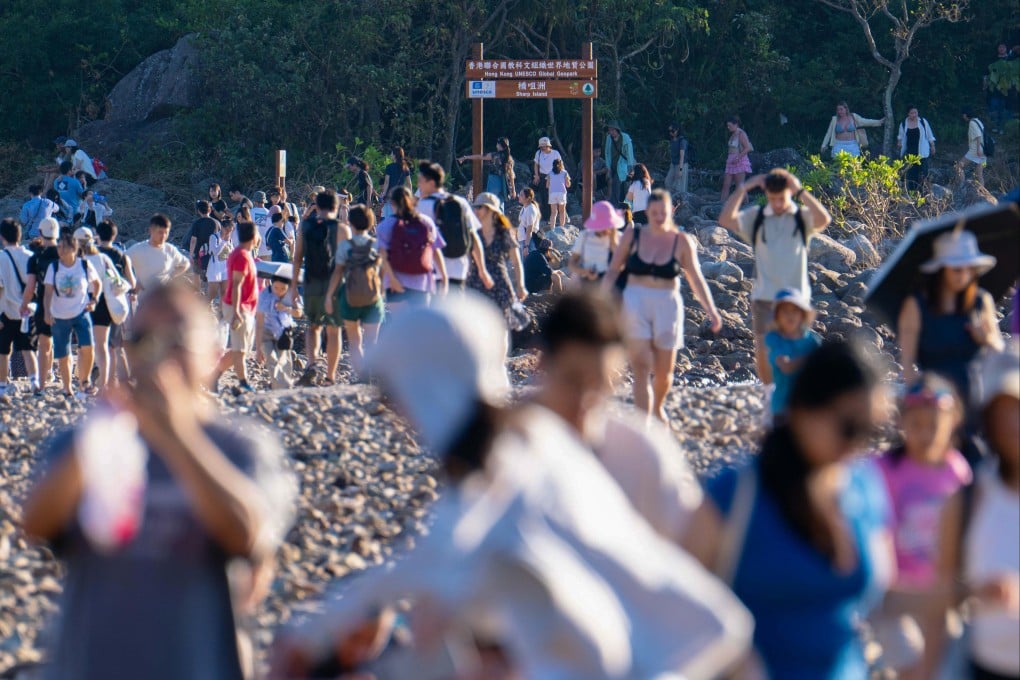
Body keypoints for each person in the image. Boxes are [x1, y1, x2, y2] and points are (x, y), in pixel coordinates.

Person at [271, 294, 752, 680]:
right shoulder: (536, 441)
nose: (397, 414)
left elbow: (444, 552)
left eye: (395, 395)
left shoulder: (508, 465)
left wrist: (309, 634)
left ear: (425, 387)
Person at [22, 283, 296, 680]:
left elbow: (249, 535)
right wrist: (97, 436)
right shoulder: (86, 441)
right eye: (143, 339)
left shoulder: (241, 449)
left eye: (175, 339)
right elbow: (36, 524)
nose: (156, 355)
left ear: (214, 355)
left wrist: (177, 434)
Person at [685, 341, 895, 679]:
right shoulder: (736, 493)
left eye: (871, 431)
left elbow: (882, 594)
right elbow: (676, 606)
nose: (858, 444)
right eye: (849, 428)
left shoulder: (864, 485)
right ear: (803, 409)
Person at [874, 375, 971, 680]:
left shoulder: (956, 470)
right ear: (902, 423)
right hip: (895, 592)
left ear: (952, 422)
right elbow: (877, 529)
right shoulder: (887, 469)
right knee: (910, 663)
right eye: (916, 425)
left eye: (934, 425)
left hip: (939, 589)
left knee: (942, 662)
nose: (926, 433)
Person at [936, 346, 1019, 680]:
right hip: (983, 666)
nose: (1013, 423)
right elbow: (941, 589)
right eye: (1002, 411)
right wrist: (974, 591)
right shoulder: (970, 494)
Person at [603, 190, 722, 422]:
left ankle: (658, 407)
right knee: (641, 366)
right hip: (635, 301)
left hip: (667, 303)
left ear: (671, 212)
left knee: (664, 371)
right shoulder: (632, 235)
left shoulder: (682, 241)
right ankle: (644, 422)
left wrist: (712, 311)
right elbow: (613, 270)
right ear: (647, 212)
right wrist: (599, 301)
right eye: (654, 212)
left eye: (663, 213)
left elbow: (696, 279)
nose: (659, 217)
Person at [897, 229, 1003, 466]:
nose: (963, 275)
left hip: (976, 394)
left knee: (980, 461)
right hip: (937, 399)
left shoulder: (980, 301)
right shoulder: (917, 304)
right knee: (941, 464)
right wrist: (915, 397)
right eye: (957, 268)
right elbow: (907, 363)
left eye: (969, 269)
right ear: (941, 269)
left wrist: (985, 338)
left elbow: (999, 349)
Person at [718, 168, 832, 384]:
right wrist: (745, 186)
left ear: (788, 193)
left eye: (781, 198)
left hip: (796, 298)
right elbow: (725, 219)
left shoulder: (800, 217)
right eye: (772, 199)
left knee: (797, 347)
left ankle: (795, 395)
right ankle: (770, 392)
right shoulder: (757, 217)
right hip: (765, 296)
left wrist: (800, 191)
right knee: (763, 349)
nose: (777, 204)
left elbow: (824, 219)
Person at [291, 189, 351, 385]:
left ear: (317, 206)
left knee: (313, 327)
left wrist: (293, 287)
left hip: (311, 281)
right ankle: (330, 376)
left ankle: (311, 365)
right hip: (335, 284)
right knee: (333, 330)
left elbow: (297, 257)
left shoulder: (306, 226)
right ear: (336, 207)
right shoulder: (342, 229)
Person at [325, 205, 384, 379]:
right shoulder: (376, 245)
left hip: (350, 297)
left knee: (354, 341)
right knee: (372, 341)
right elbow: (382, 271)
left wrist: (329, 295)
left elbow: (337, 272)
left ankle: (362, 376)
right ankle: (373, 374)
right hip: (373, 297)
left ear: (351, 223)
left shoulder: (345, 246)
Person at [415, 161, 491, 291]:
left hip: (432, 271)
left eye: (421, 181)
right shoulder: (460, 202)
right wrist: (482, 270)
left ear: (432, 183)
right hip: (459, 268)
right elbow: (473, 238)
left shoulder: (421, 207)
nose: (418, 185)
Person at [44, 232, 101, 399]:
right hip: (59, 315)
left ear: (74, 248)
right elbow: (48, 293)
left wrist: (94, 299)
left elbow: (96, 283)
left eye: (64, 247)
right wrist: (47, 312)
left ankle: (84, 381)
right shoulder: (53, 267)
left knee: (88, 346)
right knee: (64, 353)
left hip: (81, 312)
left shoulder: (84, 265)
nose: (60, 250)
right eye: (59, 246)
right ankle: (67, 387)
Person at [468, 192, 527, 354]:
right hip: (476, 282)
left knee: (501, 328)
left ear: (489, 210)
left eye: (479, 207)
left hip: (500, 283)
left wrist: (520, 285)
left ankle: (500, 365)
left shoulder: (504, 233)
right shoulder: (474, 233)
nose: (475, 211)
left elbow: (516, 262)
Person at [75, 227, 130, 392]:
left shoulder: (76, 260)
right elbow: (117, 281)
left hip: (83, 305)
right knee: (102, 346)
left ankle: (83, 383)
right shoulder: (103, 258)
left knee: (83, 347)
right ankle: (103, 384)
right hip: (103, 305)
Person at [377, 186, 448, 312]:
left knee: (400, 326)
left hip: (395, 283)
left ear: (392, 203)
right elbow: (435, 250)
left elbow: (383, 256)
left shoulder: (385, 226)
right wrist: (444, 276)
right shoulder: (426, 222)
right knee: (420, 326)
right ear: (412, 200)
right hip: (422, 282)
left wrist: (392, 280)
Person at [213, 221, 259, 394]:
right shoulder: (241, 255)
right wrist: (237, 312)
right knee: (240, 348)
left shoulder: (243, 253)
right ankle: (244, 383)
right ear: (255, 237)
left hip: (243, 306)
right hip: (238, 306)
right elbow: (237, 285)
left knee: (243, 348)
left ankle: (214, 376)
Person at [766, 288, 823, 421]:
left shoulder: (812, 341)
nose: (790, 315)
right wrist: (810, 360)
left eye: (795, 310)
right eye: (784, 311)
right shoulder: (773, 339)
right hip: (782, 406)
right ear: (776, 316)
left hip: (807, 406)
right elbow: (786, 366)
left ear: (803, 314)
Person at [21, 217, 61, 394]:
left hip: (45, 304)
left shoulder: (36, 258)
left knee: (44, 345)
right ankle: (69, 385)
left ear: (40, 233)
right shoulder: (66, 254)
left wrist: (24, 304)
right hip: (68, 304)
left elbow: (30, 287)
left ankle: (42, 385)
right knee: (62, 344)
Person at [0, 218, 38, 397]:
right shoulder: (30, 256)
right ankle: (34, 382)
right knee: (28, 349)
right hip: (27, 311)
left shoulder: (1, 258)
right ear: (20, 235)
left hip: (6, 310)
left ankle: (2, 385)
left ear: (2, 237)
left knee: (3, 350)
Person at [96, 220, 136, 386]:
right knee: (116, 345)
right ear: (114, 235)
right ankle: (117, 381)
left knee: (98, 344)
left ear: (97, 235)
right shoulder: (122, 256)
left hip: (96, 303)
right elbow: (132, 283)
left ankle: (101, 380)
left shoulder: (94, 255)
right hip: (116, 304)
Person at [256, 271, 302, 390]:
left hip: (284, 332)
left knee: (284, 360)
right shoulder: (264, 295)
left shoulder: (292, 294)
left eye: (283, 288)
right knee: (271, 360)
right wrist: (257, 348)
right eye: (276, 287)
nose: (279, 291)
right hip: (266, 331)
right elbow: (259, 322)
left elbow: (299, 313)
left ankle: (284, 387)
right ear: (271, 284)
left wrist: (287, 309)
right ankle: (280, 387)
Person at [127, 214, 191, 293]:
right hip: (142, 299)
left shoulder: (170, 249)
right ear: (150, 231)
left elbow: (185, 264)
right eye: (160, 232)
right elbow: (120, 263)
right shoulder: (138, 249)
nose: (163, 236)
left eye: (166, 232)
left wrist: (171, 276)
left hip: (164, 298)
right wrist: (133, 282)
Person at [569, 200, 620, 285]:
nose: (604, 228)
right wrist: (585, 272)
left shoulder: (619, 237)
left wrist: (613, 241)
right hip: (588, 284)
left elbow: (622, 265)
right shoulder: (585, 236)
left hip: (611, 286)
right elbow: (572, 264)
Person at [458, 137, 516, 210]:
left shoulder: (495, 155)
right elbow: (511, 175)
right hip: (503, 183)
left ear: (499, 145)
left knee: (490, 202)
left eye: (497, 143)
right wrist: (513, 190)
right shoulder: (509, 158)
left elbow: (480, 157)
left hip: (494, 181)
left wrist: (465, 157)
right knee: (500, 204)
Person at [897, 106, 937, 192]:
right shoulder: (904, 123)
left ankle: (924, 191)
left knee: (924, 172)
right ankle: (912, 192)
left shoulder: (922, 122)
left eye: (916, 112)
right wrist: (899, 142)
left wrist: (932, 146)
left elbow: (929, 135)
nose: (914, 115)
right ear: (908, 114)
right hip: (910, 152)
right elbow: (900, 136)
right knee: (912, 173)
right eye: (912, 113)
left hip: (922, 151)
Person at [721, 116, 753, 202]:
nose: (728, 128)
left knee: (739, 186)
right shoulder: (732, 134)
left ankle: (747, 204)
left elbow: (748, 148)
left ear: (736, 124)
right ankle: (721, 205)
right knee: (726, 184)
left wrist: (738, 158)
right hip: (730, 161)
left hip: (739, 161)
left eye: (730, 126)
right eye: (727, 126)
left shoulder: (741, 134)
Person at [206, 216, 236, 305]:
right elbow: (215, 252)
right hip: (215, 268)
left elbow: (232, 253)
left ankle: (221, 312)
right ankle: (204, 307)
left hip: (225, 268)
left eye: (230, 231)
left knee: (224, 292)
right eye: (227, 230)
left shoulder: (230, 239)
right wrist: (223, 241)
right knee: (212, 293)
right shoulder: (214, 237)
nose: (228, 232)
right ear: (222, 227)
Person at [532, 137, 561, 225]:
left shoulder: (555, 153)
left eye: (544, 146)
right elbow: (536, 164)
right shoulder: (539, 153)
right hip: (543, 176)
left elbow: (560, 164)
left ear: (548, 145)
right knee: (544, 197)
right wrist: (536, 175)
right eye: (541, 146)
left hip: (554, 176)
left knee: (555, 197)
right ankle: (547, 217)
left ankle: (558, 216)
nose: (542, 148)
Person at [189, 200, 220, 284]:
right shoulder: (216, 223)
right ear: (209, 210)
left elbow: (193, 240)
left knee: (196, 273)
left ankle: (197, 292)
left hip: (199, 252)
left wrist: (191, 255)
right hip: (212, 252)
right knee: (211, 273)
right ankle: (210, 293)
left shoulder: (197, 223)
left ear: (198, 211)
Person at [604, 122, 636, 204]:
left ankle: (621, 205)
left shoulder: (625, 138)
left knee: (619, 185)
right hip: (613, 166)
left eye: (612, 130)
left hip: (622, 166)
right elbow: (607, 153)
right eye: (609, 130)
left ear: (616, 130)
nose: (611, 132)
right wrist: (608, 167)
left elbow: (629, 153)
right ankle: (616, 205)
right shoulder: (609, 138)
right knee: (613, 186)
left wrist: (630, 168)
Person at [379, 147, 412, 218]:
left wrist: (383, 194)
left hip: (390, 195)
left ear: (395, 155)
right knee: (399, 217)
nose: (390, 155)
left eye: (391, 153)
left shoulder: (389, 167)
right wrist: (409, 196)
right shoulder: (406, 167)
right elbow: (409, 184)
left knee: (389, 217)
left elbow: (387, 182)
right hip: (401, 196)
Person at [957, 111, 987, 187]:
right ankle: (983, 193)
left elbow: (978, 136)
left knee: (959, 166)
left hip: (975, 150)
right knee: (979, 173)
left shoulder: (972, 123)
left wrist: (978, 149)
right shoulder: (978, 121)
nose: (963, 116)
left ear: (966, 114)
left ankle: (962, 186)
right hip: (984, 149)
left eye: (963, 114)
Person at [546, 158, 571, 229]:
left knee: (553, 213)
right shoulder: (565, 173)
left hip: (552, 194)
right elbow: (568, 185)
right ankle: (562, 227)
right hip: (561, 193)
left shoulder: (550, 173)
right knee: (562, 212)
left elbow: (547, 185)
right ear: (561, 164)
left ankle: (552, 228)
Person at [665, 124, 689, 194]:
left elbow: (682, 156)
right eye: (669, 131)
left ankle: (680, 202)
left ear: (677, 130)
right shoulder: (672, 140)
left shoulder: (682, 141)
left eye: (672, 131)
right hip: (673, 164)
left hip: (681, 164)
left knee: (679, 186)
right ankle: (670, 199)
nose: (670, 133)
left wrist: (680, 170)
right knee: (667, 182)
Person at [516, 187, 540, 255]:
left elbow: (529, 229)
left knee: (526, 263)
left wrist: (526, 246)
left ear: (528, 198)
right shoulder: (524, 207)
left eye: (521, 195)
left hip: (527, 241)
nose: (519, 196)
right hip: (522, 239)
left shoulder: (530, 209)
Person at [251, 191, 272, 258]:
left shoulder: (250, 213)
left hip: (255, 250)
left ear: (255, 201)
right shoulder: (269, 213)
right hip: (268, 250)